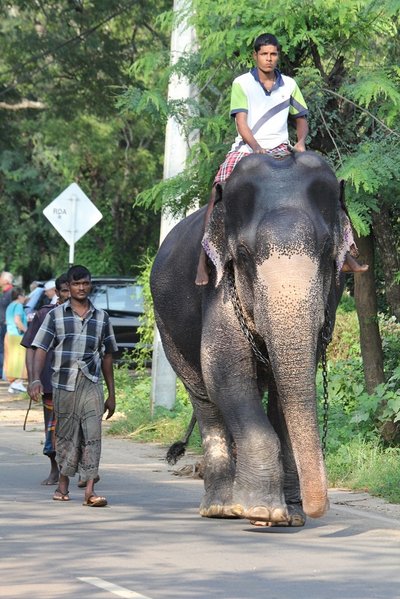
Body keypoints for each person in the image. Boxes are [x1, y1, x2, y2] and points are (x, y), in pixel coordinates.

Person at [195, 32, 367, 285]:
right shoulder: (242, 83)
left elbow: (301, 119)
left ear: (278, 56)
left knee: (329, 186)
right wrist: (255, 148)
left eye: (273, 54)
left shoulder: (289, 84)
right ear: (255, 56)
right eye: (264, 54)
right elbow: (241, 123)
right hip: (246, 148)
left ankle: (344, 254)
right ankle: (203, 260)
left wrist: (300, 142)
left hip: (281, 147)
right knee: (216, 192)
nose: (268, 58)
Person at [30, 265, 118, 507]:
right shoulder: (55, 316)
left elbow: (108, 355)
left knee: (93, 434)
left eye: (85, 283)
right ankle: (63, 485)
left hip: (91, 383)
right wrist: (35, 378)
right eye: (76, 284)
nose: (81, 288)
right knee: (66, 436)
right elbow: (40, 348)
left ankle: (90, 491)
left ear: (90, 285)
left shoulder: (101, 317)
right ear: (68, 287)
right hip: (63, 384)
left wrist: (112, 394)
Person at [22, 273, 70, 486]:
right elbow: (32, 348)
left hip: (80, 381)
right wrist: (33, 379)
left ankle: (85, 470)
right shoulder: (44, 315)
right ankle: (54, 469)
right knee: (52, 428)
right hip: (50, 381)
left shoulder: (90, 315)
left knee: (82, 427)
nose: (72, 293)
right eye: (66, 290)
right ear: (57, 293)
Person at [4, 287, 28, 393]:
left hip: (9, 334)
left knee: (11, 359)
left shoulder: (10, 305)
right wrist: (27, 331)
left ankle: (13, 384)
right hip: (17, 335)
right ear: (19, 296)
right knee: (19, 359)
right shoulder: (18, 305)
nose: (25, 298)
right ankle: (17, 383)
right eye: (24, 295)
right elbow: (17, 321)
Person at [0, 271, 14, 379]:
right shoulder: (4, 292)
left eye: (1, 278)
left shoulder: (11, 292)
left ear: (6, 281)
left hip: (7, 326)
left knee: (4, 350)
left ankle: (5, 374)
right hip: (3, 325)